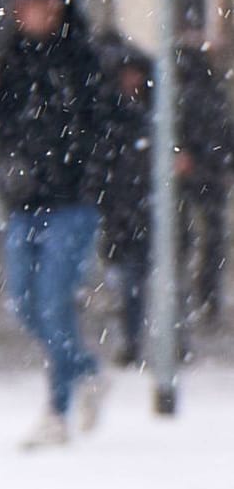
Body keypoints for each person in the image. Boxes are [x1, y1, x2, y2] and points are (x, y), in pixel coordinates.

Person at [0, 0, 108, 444]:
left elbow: (105, 124)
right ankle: (86, 369)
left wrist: (89, 174)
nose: (28, 12)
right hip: (25, 202)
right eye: (23, 3)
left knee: (54, 303)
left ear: (58, 6)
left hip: (71, 202)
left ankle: (58, 410)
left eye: (39, 3)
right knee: (26, 305)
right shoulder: (11, 61)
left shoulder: (82, 59)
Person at [87, 30, 152, 364]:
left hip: (142, 206)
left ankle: (136, 339)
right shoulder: (114, 116)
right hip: (121, 206)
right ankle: (131, 337)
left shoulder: (148, 115)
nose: (133, 79)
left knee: (137, 277)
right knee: (127, 276)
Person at [172, 33, 234, 329]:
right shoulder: (215, 94)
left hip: (193, 174)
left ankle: (187, 295)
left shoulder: (180, 96)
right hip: (211, 174)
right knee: (210, 239)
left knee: (185, 239)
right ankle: (206, 296)